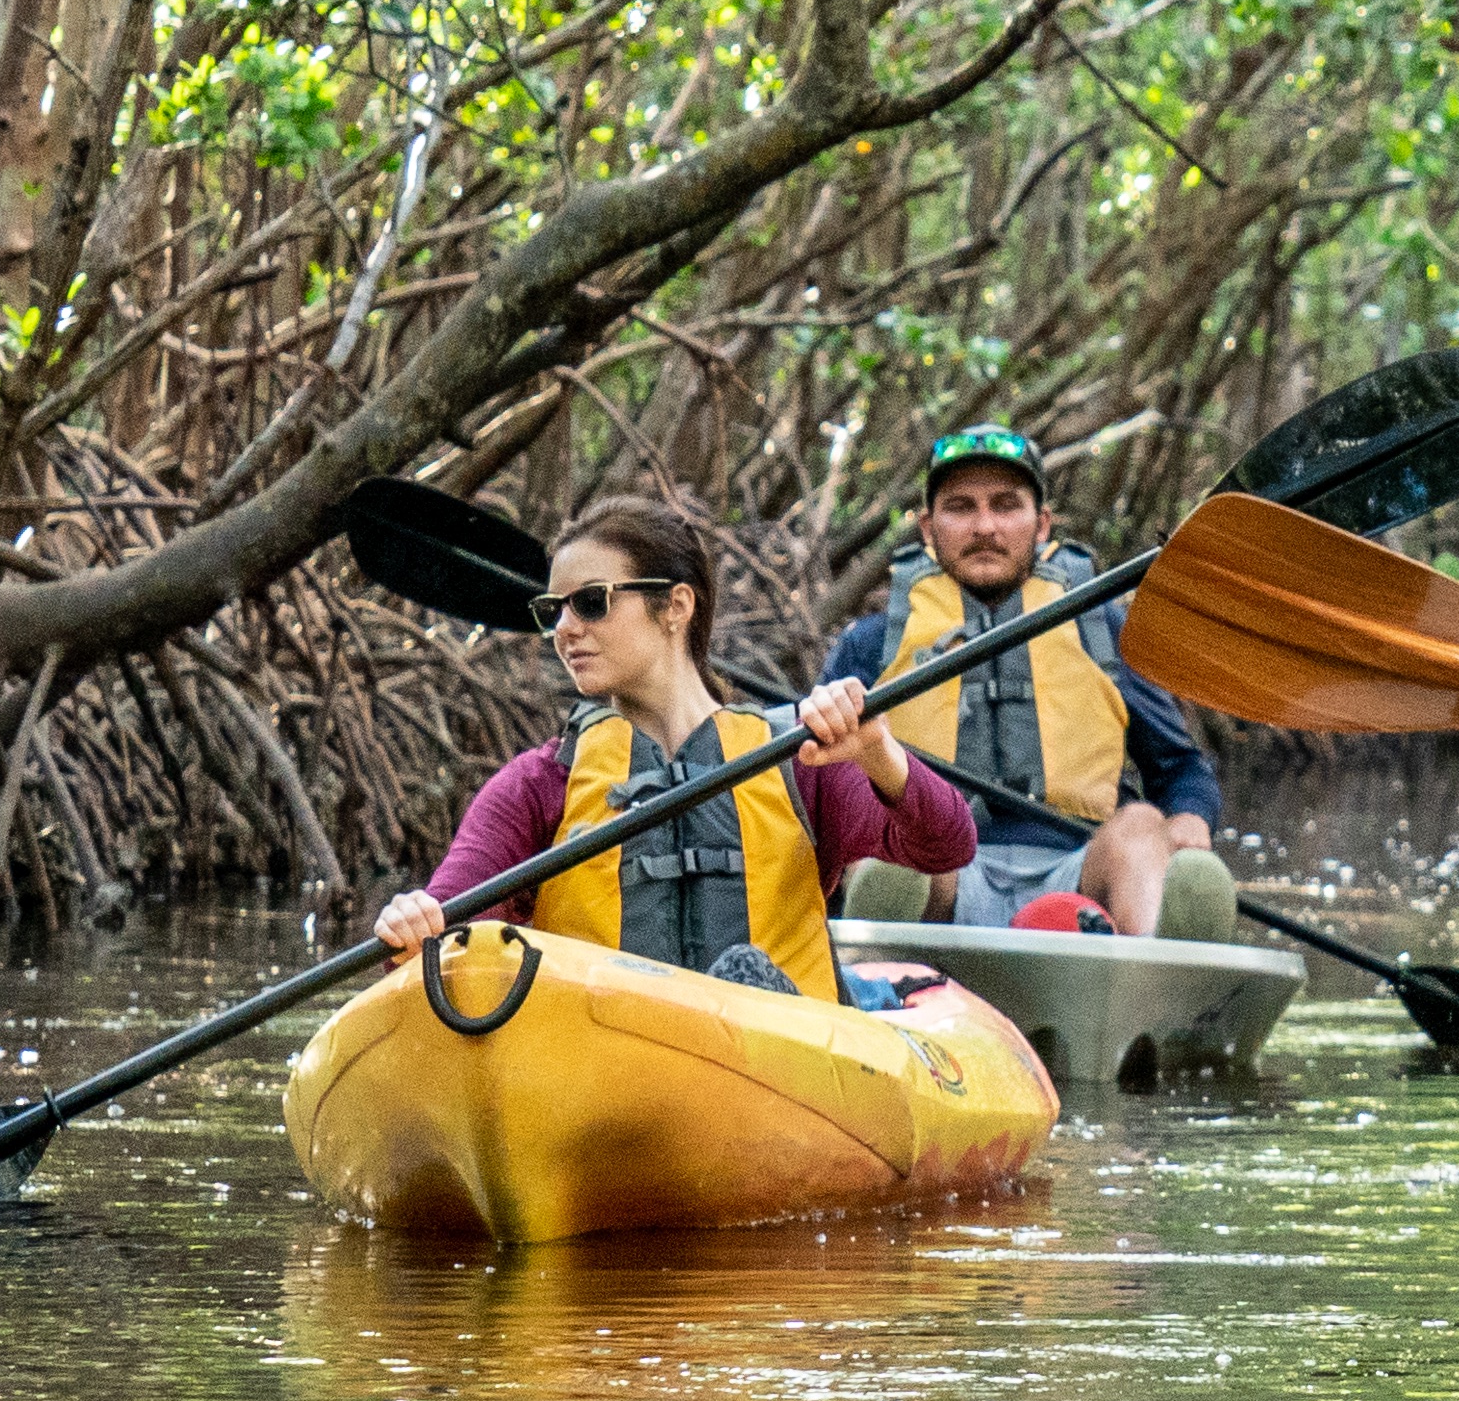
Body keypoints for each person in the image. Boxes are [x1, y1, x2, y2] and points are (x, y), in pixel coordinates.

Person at [377, 504, 971, 1000]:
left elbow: (947, 843)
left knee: (743, 971)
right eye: (552, 610)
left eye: (590, 602)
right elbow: (445, 933)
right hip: (608, 1061)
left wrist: (876, 753)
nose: (564, 628)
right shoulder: (539, 784)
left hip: (786, 1067)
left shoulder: (799, 759)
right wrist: (415, 922)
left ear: (676, 607)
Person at [817, 425, 1237, 937]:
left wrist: (1189, 819)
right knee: (888, 852)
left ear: (1041, 525)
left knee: (1143, 825)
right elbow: (813, 782)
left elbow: (1180, 769)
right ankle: (874, 981)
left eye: (1006, 505)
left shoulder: (1101, 627)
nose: (985, 526)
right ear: (928, 528)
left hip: (1077, 876)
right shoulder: (872, 643)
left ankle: (1152, 989)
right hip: (937, 870)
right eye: (961, 507)